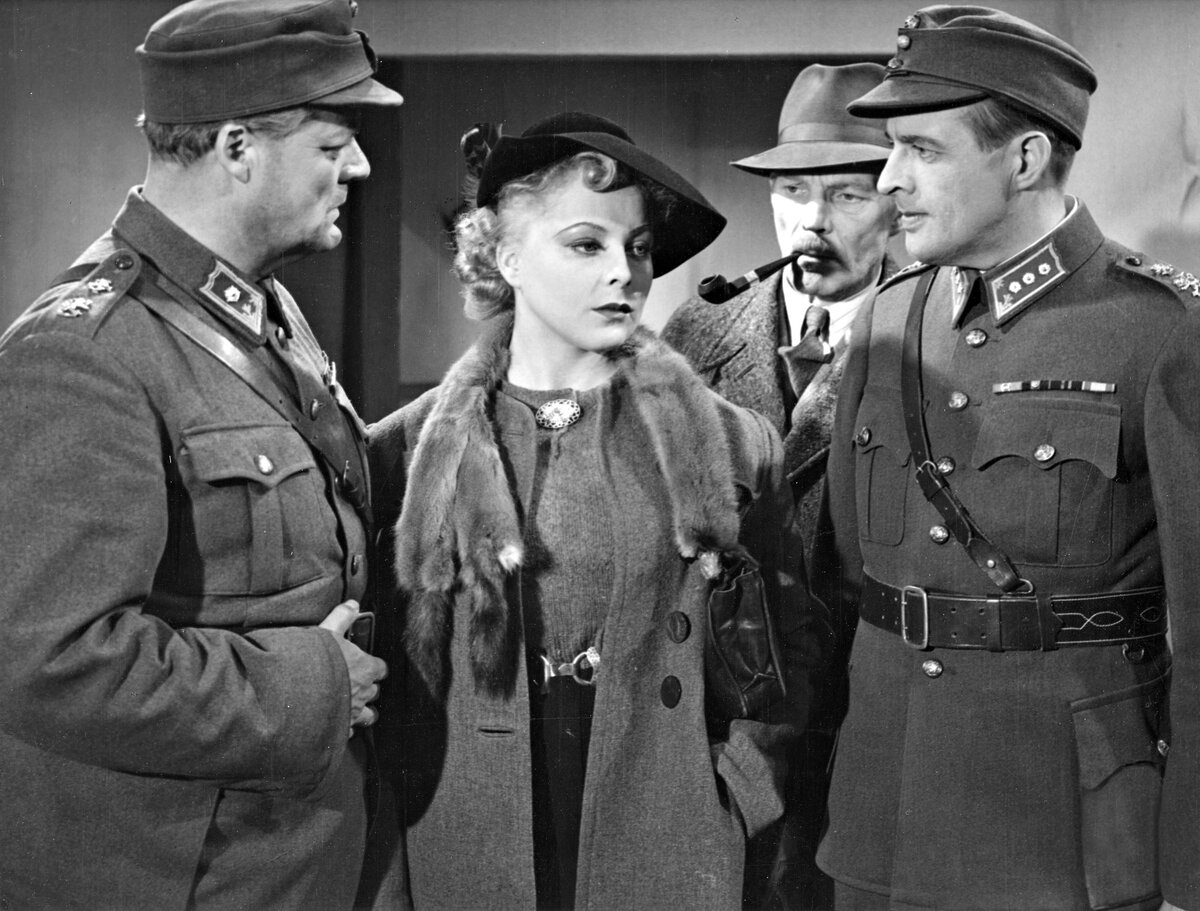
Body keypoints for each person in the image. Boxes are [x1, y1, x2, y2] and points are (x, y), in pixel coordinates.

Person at [361, 112, 828, 911]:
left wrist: (736, 797)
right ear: (507, 256)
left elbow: (795, 650)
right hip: (465, 834)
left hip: (664, 832)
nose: (625, 273)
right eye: (587, 245)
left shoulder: (729, 445)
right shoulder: (404, 454)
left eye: (638, 247)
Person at [0, 1, 401, 908]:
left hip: (297, 855)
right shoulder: (85, 351)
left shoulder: (260, 310)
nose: (360, 166)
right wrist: (310, 689)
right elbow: (52, 660)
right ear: (237, 147)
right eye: (334, 144)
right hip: (187, 875)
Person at [817, 6, 1197, 911]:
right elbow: (846, 567)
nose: (889, 179)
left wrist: (1190, 874)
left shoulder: (1160, 331)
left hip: (1062, 837)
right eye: (892, 149)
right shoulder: (889, 318)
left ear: (1024, 159)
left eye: (924, 150)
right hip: (881, 815)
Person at [662, 63, 898, 911]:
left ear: (896, 200)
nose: (813, 221)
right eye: (793, 192)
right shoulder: (700, 327)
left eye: (846, 195)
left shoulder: (929, 335)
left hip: (865, 723)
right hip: (729, 724)